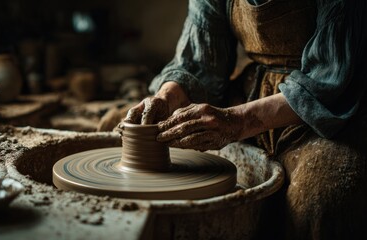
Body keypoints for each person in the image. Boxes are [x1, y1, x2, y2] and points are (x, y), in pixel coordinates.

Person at [123, 0, 367, 239]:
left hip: (332, 106)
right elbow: (199, 64)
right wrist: (166, 96)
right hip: (253, 90)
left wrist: (238, 121)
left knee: (322, 200)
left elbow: (330, 81)